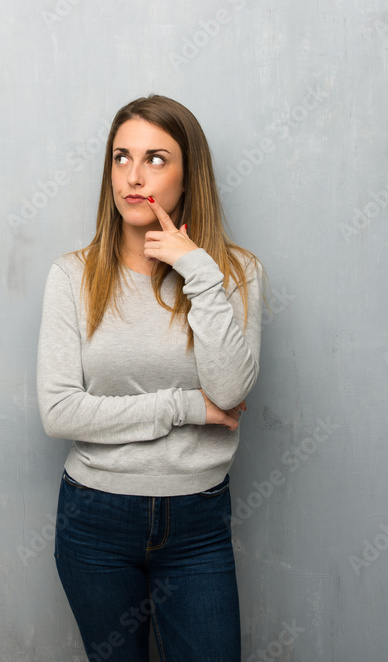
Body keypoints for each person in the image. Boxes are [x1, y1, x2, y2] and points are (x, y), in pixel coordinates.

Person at [36, 94, 268, 661]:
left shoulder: (233, 273)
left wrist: (197, 270)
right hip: (95, 518)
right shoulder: (73, 276)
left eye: (156, 159)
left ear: (190, 176)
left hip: (197, 521)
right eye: (121, 158)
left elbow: (232, 391)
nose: (133, 178)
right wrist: (189, 408)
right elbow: (60, 412)